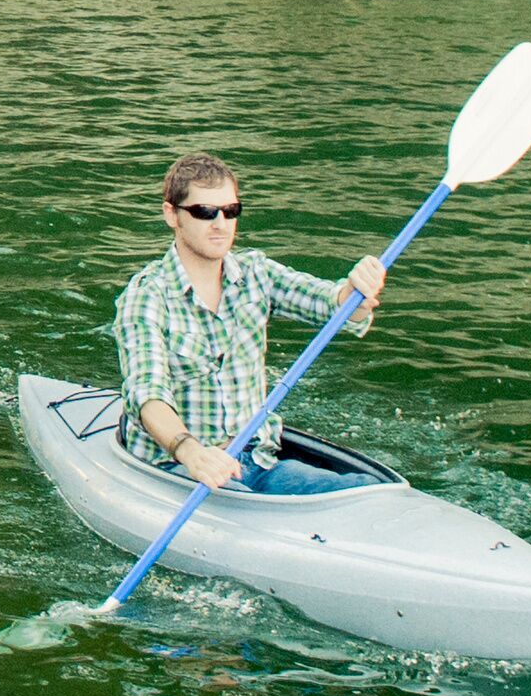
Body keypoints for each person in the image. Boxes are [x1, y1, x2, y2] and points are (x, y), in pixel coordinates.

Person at [113, 150, 386, 490]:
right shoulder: (146, 296)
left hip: (256, 462)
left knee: (362, 487)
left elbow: (331, 305)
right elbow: (147, 395)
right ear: (172, 214)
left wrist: (355, 292)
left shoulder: (258, 274)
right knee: (233, 495)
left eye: (230, 211)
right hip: (177, 468)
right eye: (204, 212)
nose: (220, 224)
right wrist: (192, 452)